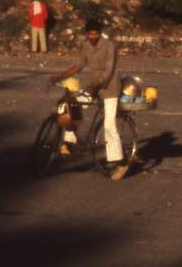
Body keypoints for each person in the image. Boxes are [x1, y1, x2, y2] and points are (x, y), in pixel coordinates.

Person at [49, 20, 128, 179]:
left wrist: (96, 84)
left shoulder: (109, 46)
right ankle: (69, 143)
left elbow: (109, 70)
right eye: (90, 33)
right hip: (93, 86)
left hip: (110, 88)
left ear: (100, 33)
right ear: (86, 34)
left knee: (109, 126)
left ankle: (121, 162)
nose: (93, 36)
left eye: (96, 33)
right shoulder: (85, 46)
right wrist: (59, 76)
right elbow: (78, 65)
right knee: (73, 107)